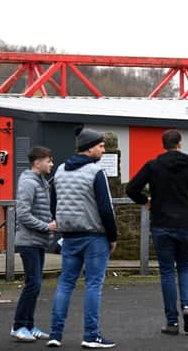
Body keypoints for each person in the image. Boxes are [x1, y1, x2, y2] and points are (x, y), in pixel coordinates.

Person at [126, 129, 188, 336]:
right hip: (186, 225)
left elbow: (132, 188)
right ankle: (187, 306)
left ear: (164, 145)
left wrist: (146, 202)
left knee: (167, 272)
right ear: (179, 143)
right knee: (185, 267)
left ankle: (172, 322)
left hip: (162, 223)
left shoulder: (154, 166)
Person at [47, 127, 118, 349]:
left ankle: (55, 334)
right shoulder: (96, 173)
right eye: (100, 146)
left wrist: (60, 222)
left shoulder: (59, 170)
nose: (103, 150)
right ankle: (91, 335)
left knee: (65, 283)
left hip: (69, 235)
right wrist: (113, 236)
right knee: (93, 285)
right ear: (90, 149)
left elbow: (53, 201)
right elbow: (106, 209)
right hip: (94, 236)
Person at [10, 146, 57, 342]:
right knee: (33, 284)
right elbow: (23, 214)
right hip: (28, 242)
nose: (52, 164)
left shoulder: (41, 181)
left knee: (35, 285)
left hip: (37, 242)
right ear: (37, 162)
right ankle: (18, 326)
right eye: (48, 160)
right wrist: (47, 226)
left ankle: (29, 325)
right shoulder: (29, 182)